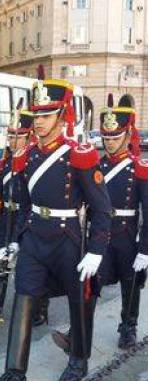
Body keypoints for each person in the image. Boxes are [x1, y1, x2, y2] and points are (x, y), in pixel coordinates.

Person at [0, 69, 112, 381]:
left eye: (47, 114)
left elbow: (101, 208)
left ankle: (79, 357)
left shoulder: (79, 155)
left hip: (68, 238)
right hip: (34, 238)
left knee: (77, 299)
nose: (39, 121)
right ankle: (14, 379)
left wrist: (96, 250)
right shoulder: (26, 156)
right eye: (37, 114)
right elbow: (22, 205)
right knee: (23, 298)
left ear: (62, 114)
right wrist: (13, 241)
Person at [52, 94, 148, 353]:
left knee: (130, 283)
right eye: (106, 138)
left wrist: (145, 249)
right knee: (90, 285)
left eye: (115, 137)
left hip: (127, 234)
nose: (110, 142)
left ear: (128, 136)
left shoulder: (138, 168)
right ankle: (78, 333)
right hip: (100, 234)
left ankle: (128, 327)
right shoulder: (96, 164)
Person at [0, 107, 44, 334]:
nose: (13, 141)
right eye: (11, 135)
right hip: (7, 219)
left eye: (19, 136)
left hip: (27, 220)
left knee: (27, 268)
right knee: (0, 262)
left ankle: (40, 307)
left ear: (30, 136)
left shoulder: (34, 162)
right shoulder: (5, 162)